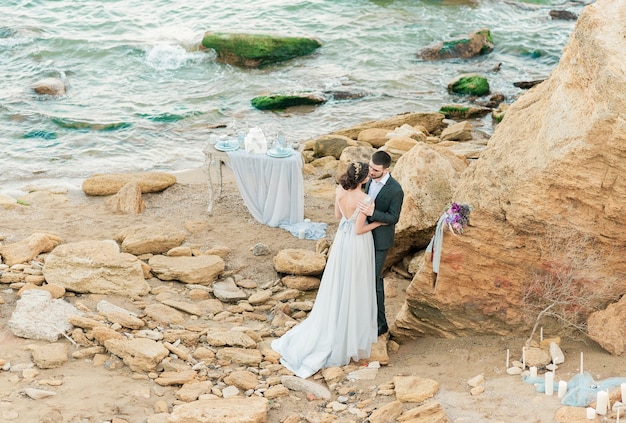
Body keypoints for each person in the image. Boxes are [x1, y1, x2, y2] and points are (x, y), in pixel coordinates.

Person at [271, 162, 382, 379]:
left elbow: (338, 216)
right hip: (357, 243)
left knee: (339, 280)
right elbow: (360, 229)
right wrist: (377, 223)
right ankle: (350, 329)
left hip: (342, 240)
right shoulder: (365, 199)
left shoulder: (340, 191)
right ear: (364, 180)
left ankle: (335, 319)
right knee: (355, 282)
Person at [357, 150, 404, 336]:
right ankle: (372, 319)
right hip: (365, 237)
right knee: (369, 279)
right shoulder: (368, 180)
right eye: (370, 167)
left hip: (381, 242)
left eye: (375, 170)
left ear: (387, 169)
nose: (371, 172)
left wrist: (372, 214)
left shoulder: (396, 190)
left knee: (373, 279)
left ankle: (381, 323)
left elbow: (394, 217)